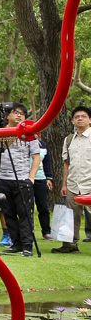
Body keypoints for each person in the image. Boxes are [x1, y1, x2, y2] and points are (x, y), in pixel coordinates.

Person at [0, 104, 40, 258]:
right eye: (16, 113)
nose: (19, 116)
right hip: (2, 178)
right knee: (8, 213)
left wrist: (31, 177)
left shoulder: (29, 133)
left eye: (22, 114)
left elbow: (36, 157)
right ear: (7, 116)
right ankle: (16, 243)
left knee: (24, 213)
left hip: (21, 178)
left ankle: (27, 246)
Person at [57, 104, 91, 252]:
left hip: (89, 183)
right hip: (72, 184)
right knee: (70, 215)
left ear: (90, 120)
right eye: (76, 117)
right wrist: (64, 184)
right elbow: (66, 164)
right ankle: (69, 245)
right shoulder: (69, 139)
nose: (80, 119)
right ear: (72, 121)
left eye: (83, 116)